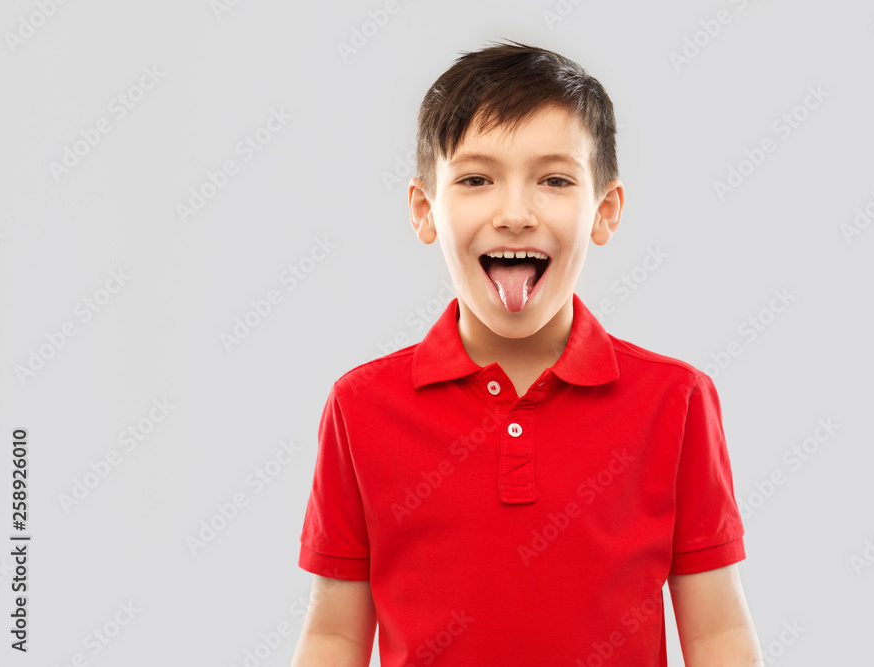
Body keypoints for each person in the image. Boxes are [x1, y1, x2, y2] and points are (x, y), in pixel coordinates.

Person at [291, 39, 763, 666]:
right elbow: (334, 636)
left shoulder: (676, 403)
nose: (515, 212)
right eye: (477, 179)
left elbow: (717, 634)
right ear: (425, 208)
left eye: (554, 179)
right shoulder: (361, 407)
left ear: (606, 209)